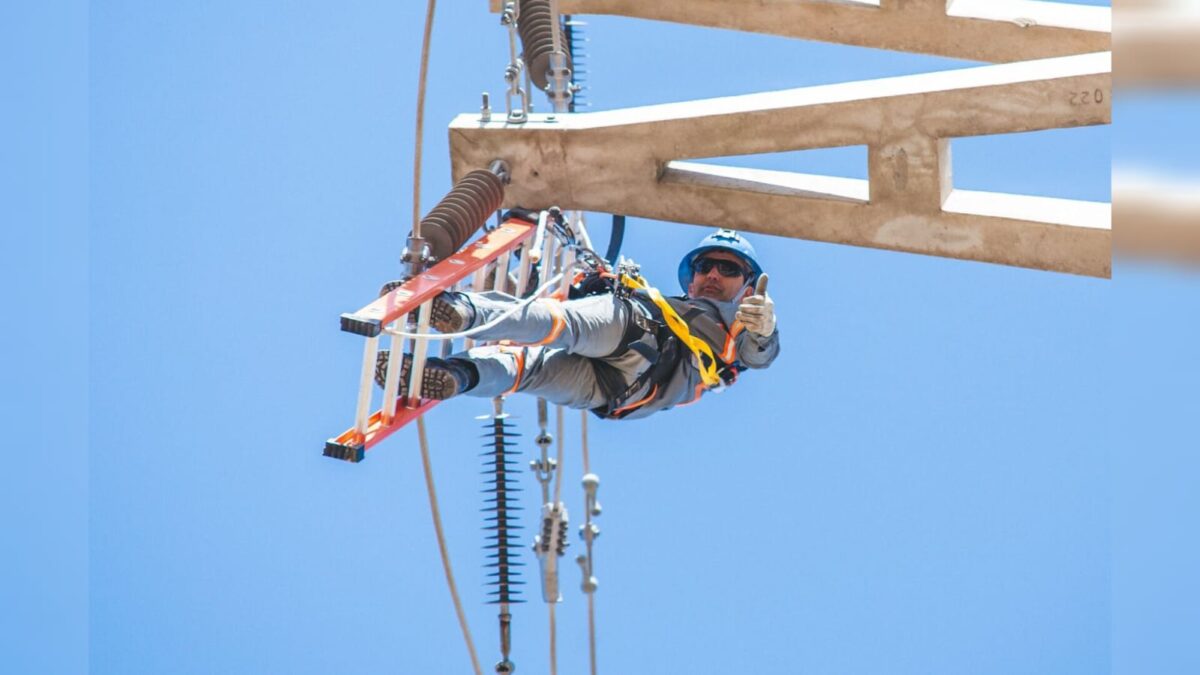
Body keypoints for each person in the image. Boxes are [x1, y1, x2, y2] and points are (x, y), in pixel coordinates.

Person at [376, 229, 780, 420]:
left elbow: (760, 354)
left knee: (557, 326)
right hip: (625, 393)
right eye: (704, 266)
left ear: (746, 288)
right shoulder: (676, 305)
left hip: (640, 346)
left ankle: (461, 312)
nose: (712, 274)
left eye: (727, 269)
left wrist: (764, 330)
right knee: (524, 369)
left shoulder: (741, 325)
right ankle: (456, 375)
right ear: (690, 279)